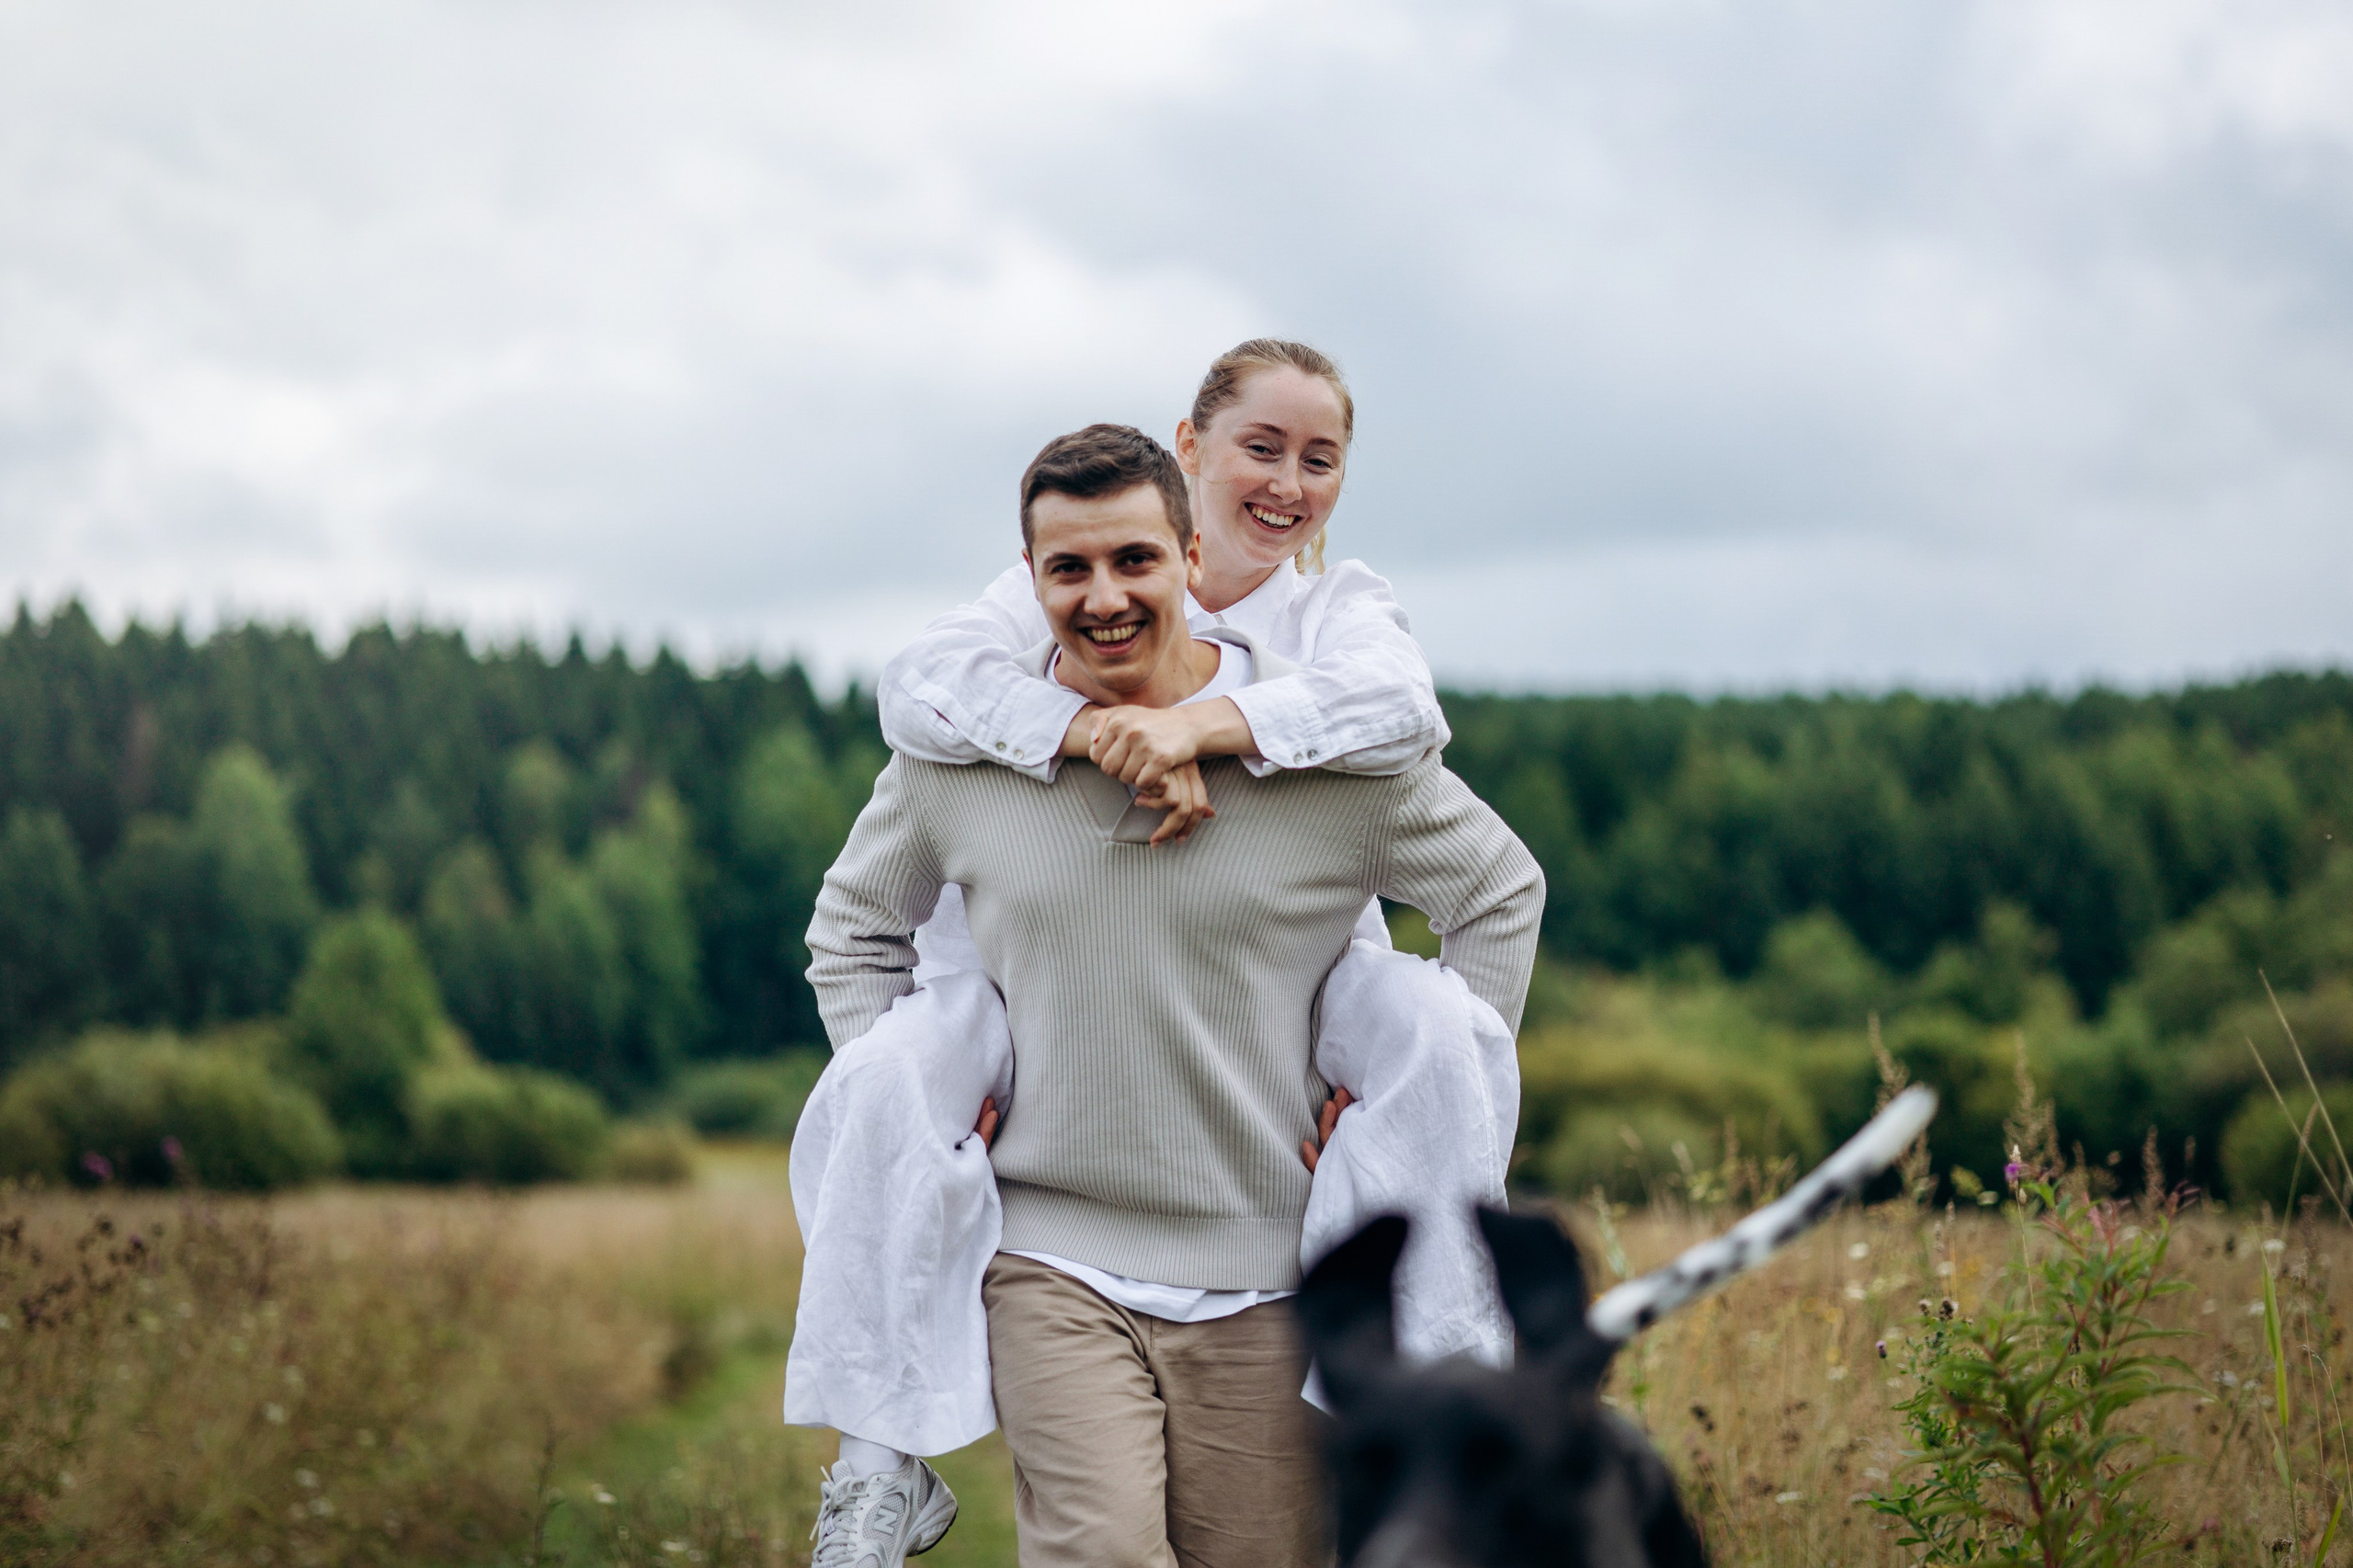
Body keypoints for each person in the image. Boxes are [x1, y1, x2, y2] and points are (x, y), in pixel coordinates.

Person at [788, 343, 1524, 1563]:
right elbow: (855, 922)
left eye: (1136, 559)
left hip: (1272, 1266)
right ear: (1029, 581)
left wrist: (1416, 1113)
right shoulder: (971, 737)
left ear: (1189, 558)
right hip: (1053, 1253)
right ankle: (875, 1455)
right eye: (1067, 569)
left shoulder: (1330, 710)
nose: (1104, 592)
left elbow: (1498, 889)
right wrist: (930, 1113)